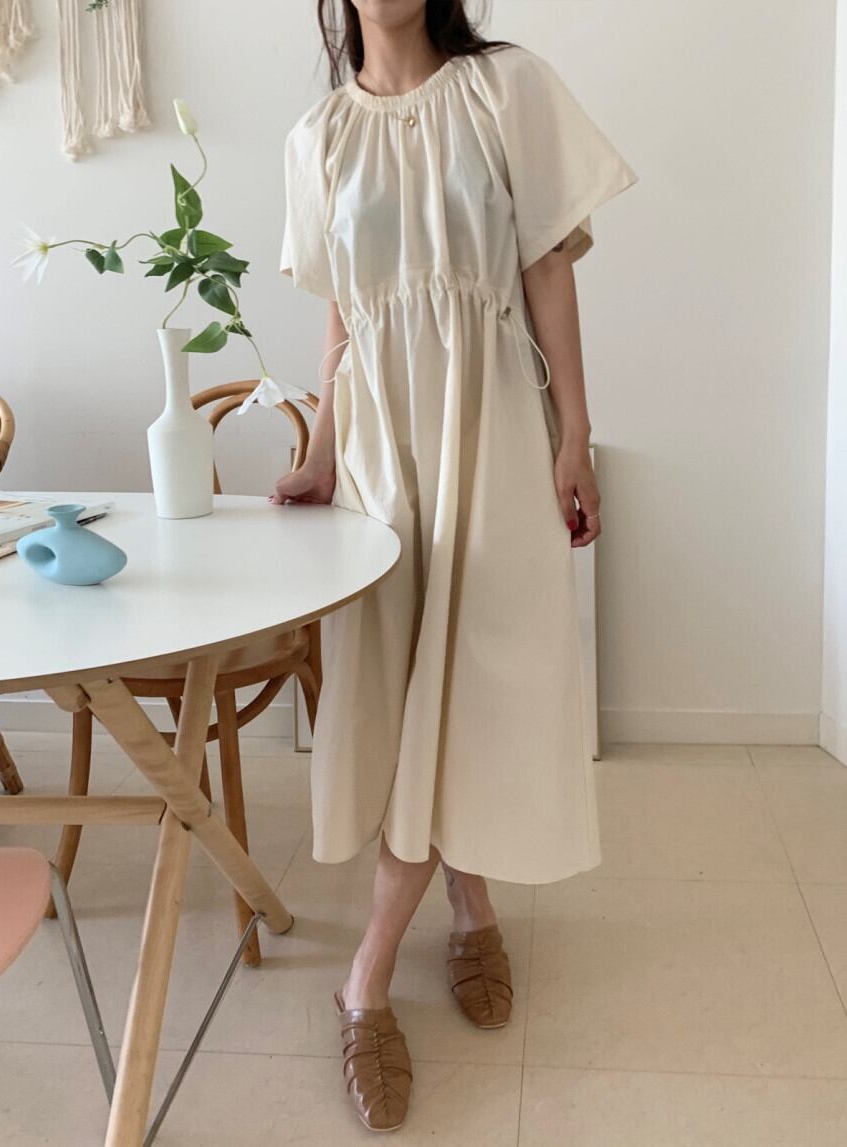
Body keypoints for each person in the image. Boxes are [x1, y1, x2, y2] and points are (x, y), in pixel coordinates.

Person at [271, 0, 637, 1131]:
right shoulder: (318, 138)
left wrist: (574, 438)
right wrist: (319, 452)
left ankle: (365, 978)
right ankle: (469, 912)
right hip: (383, 462)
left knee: (476, 686)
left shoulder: (504, 89)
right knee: (406, 697)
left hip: (493, 432)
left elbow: (546, 271)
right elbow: (343, 323)